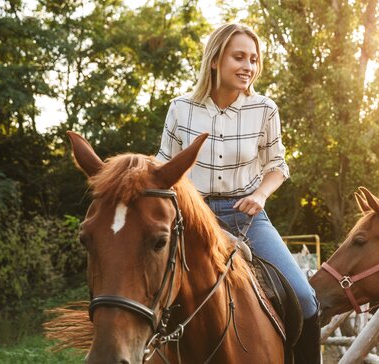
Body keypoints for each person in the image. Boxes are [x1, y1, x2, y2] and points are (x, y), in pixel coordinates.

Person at [155, 23, 320, 363]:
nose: (249, 66)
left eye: (254, 59)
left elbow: (278, 166)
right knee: (147, 294)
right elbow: (163, 169)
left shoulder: (264, 109)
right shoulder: (180, 109)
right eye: (239, 57)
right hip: (191, 218)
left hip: (246, 216)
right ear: (215, 60)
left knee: (305, 299)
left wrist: (259, 196)